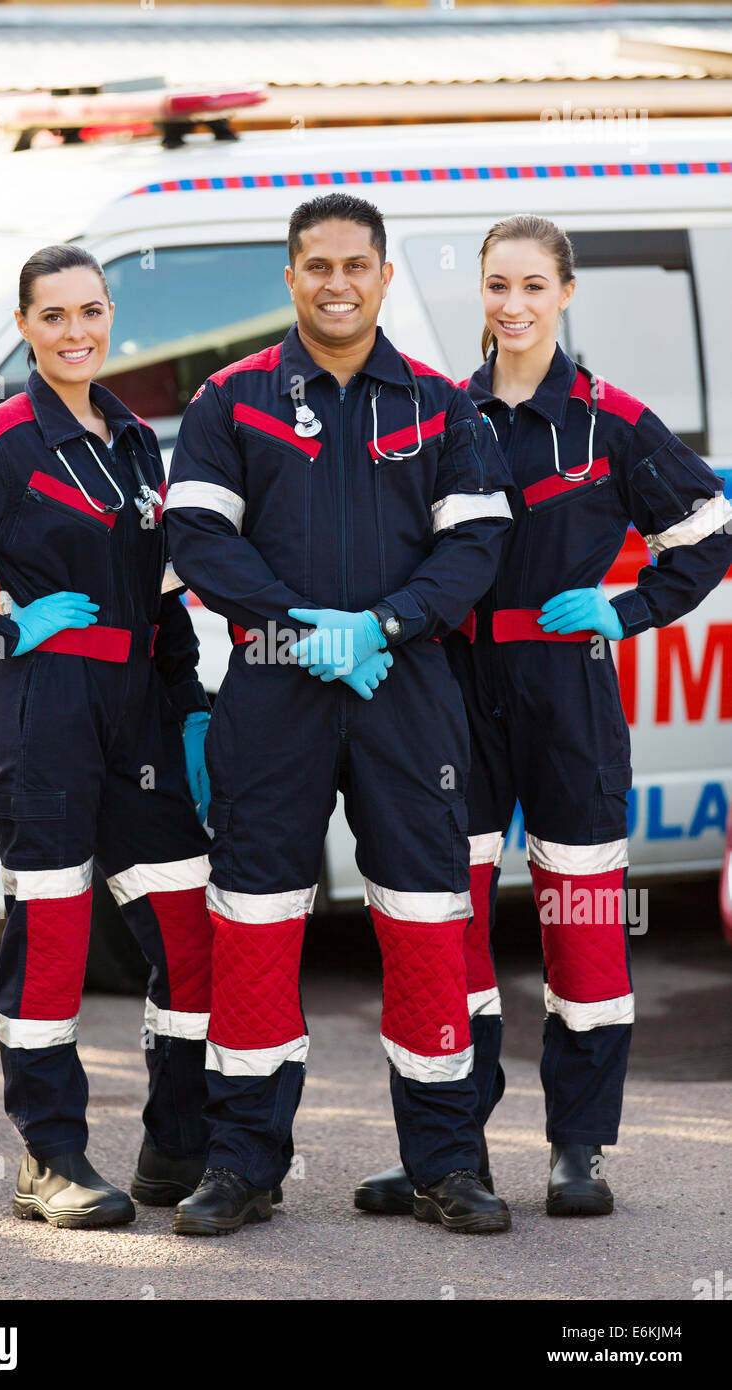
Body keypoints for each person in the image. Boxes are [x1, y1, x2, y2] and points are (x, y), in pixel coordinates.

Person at [354, 214, 732, 1219]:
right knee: (448, 927)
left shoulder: (610, 421)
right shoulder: (441, 416)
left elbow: (705, 533)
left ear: (564, 293)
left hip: (568, 696)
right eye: (494, 286)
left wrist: (624, 605)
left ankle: (576, 1149)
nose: (511, 305)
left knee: (582, 927)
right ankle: (451, 1151)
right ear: (476, 293)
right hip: (453, 693)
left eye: (531, 286)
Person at [163, 193, 515, 1237]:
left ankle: (444, 1165)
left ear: (383, 276)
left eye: (355, 265)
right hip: (274, 683)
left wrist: (384, 627)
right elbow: (196, 537)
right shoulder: (229, 399)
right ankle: (241, 1163)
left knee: (422, 919)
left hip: (404, 689)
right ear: (288, 276)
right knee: (257, 919)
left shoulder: (442, 408)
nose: (336, 282)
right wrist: (302, 628)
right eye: (316, 265)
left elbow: (475, 546)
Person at [0, 244, 219, 1228]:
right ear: (23, 327)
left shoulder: (128, 439)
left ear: (112, 317)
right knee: (56, 935)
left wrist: (189, 699)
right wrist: (0, 623)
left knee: (189, 931)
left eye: (91, 311)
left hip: (139, 710)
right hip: (44, 712)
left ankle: (176, 1141)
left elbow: (159, 589)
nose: (77, 332)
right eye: (54, 316)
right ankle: (50, 1156)